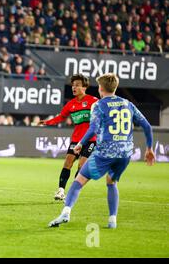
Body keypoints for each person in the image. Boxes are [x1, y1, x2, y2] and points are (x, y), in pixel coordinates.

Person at [49, 73, 155, 229]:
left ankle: (65, 212)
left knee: (78, 182)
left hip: (105, 152)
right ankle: (112, 220)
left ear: (100, 88)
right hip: (125, 154)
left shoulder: (98, 105)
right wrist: (149, 148)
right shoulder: (128, 104)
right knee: (111, 183)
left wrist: (80, 143)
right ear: (115, 87)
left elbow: (93, 128)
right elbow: (147, 126)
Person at [39, 74, 98, 201]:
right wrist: (47, 122)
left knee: (81, 167)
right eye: (73, 85)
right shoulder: (70, 104)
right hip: (76, 139)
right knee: (67, 163)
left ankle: (72, 191)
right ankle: (61, 191)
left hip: (91, 140)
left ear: (85, 87)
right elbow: (60, 117)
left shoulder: (94, 101)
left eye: (77, 85)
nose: (74, 87)